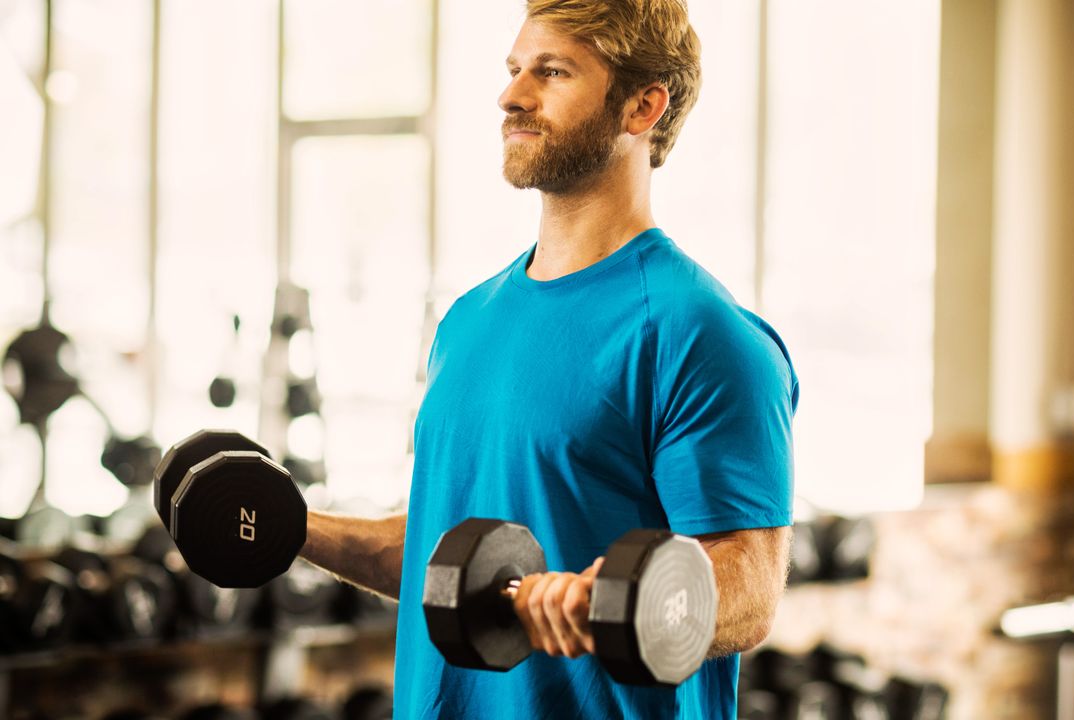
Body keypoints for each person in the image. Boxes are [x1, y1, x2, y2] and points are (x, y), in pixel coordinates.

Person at [300, 1, 799, 717]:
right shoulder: (468, 321)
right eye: (513, 70)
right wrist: (293, 527)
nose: (512, 95)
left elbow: (749, 589)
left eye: (552, 71)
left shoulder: (700, 333)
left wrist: (604, 603)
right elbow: (442, 552)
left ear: (641, 106)